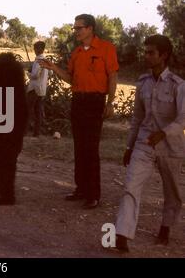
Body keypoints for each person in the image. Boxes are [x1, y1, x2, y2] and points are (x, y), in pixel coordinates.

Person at [112, 35, 184, 252]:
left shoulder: (178, 86)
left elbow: (182, 118)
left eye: (151, 52)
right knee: (131, 186)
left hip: (170, 147)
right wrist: (129, 146)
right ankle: (122, 235)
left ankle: (165, 228)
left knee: (172, 193)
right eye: (145, 52)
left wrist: (163, 133)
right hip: (144, 144)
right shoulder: (143, 83)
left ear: (164, 55)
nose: (146, 56)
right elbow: (136, 118)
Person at [40, 14, 118, 209]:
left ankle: (93, 194)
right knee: (79, 147)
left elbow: (113, 77)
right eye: (75, 28)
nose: (76, 31)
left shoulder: (106, 49)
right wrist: (53, 67)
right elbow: (71, 79)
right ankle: (81, 189)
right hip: (78, 102)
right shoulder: (76, 53)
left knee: (91, 149)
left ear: (90, 28)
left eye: (79, 28)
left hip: (95, 102)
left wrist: (110, 103)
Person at [26, 41, 51, 137]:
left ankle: (24, 131)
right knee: (38, 111)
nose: (35, 50)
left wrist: (28, 73)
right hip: (41, 89)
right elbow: (49, 73)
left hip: (34, 88)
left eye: (36, 48)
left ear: (41, 49)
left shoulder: (39, 60)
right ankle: (36, 132)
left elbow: (35, 75)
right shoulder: (45, 60)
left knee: (28, 109)